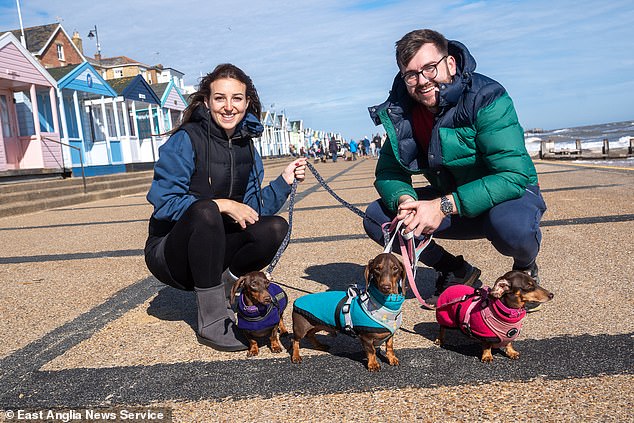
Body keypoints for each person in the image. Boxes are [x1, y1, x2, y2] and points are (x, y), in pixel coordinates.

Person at [363, 29, 546, 310]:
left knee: (513, 228)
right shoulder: (405, 111)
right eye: (411, 74)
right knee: (378, 218)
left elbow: (513, 175)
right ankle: (455, 270)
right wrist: (405, 200)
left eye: (429, 68)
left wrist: (444, 205)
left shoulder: (486, 97)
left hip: (508, 198)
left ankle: (525, 268)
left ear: (450, 64)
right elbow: (388, 171)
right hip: (451, 200)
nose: (422, 81)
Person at [144, 63, 307, 352]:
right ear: (207, 101)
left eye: (237, 98)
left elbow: (253, 209)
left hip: (216, 246)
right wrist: (222, 204)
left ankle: (229, 290)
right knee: (206, 212)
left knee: (275, 227)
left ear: (247, 103)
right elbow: (164, 202)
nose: (228, 106)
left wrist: (283, 181)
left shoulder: (246, 146)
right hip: (171, 253)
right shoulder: (186, 140)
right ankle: (212, 320)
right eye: (220, 98)